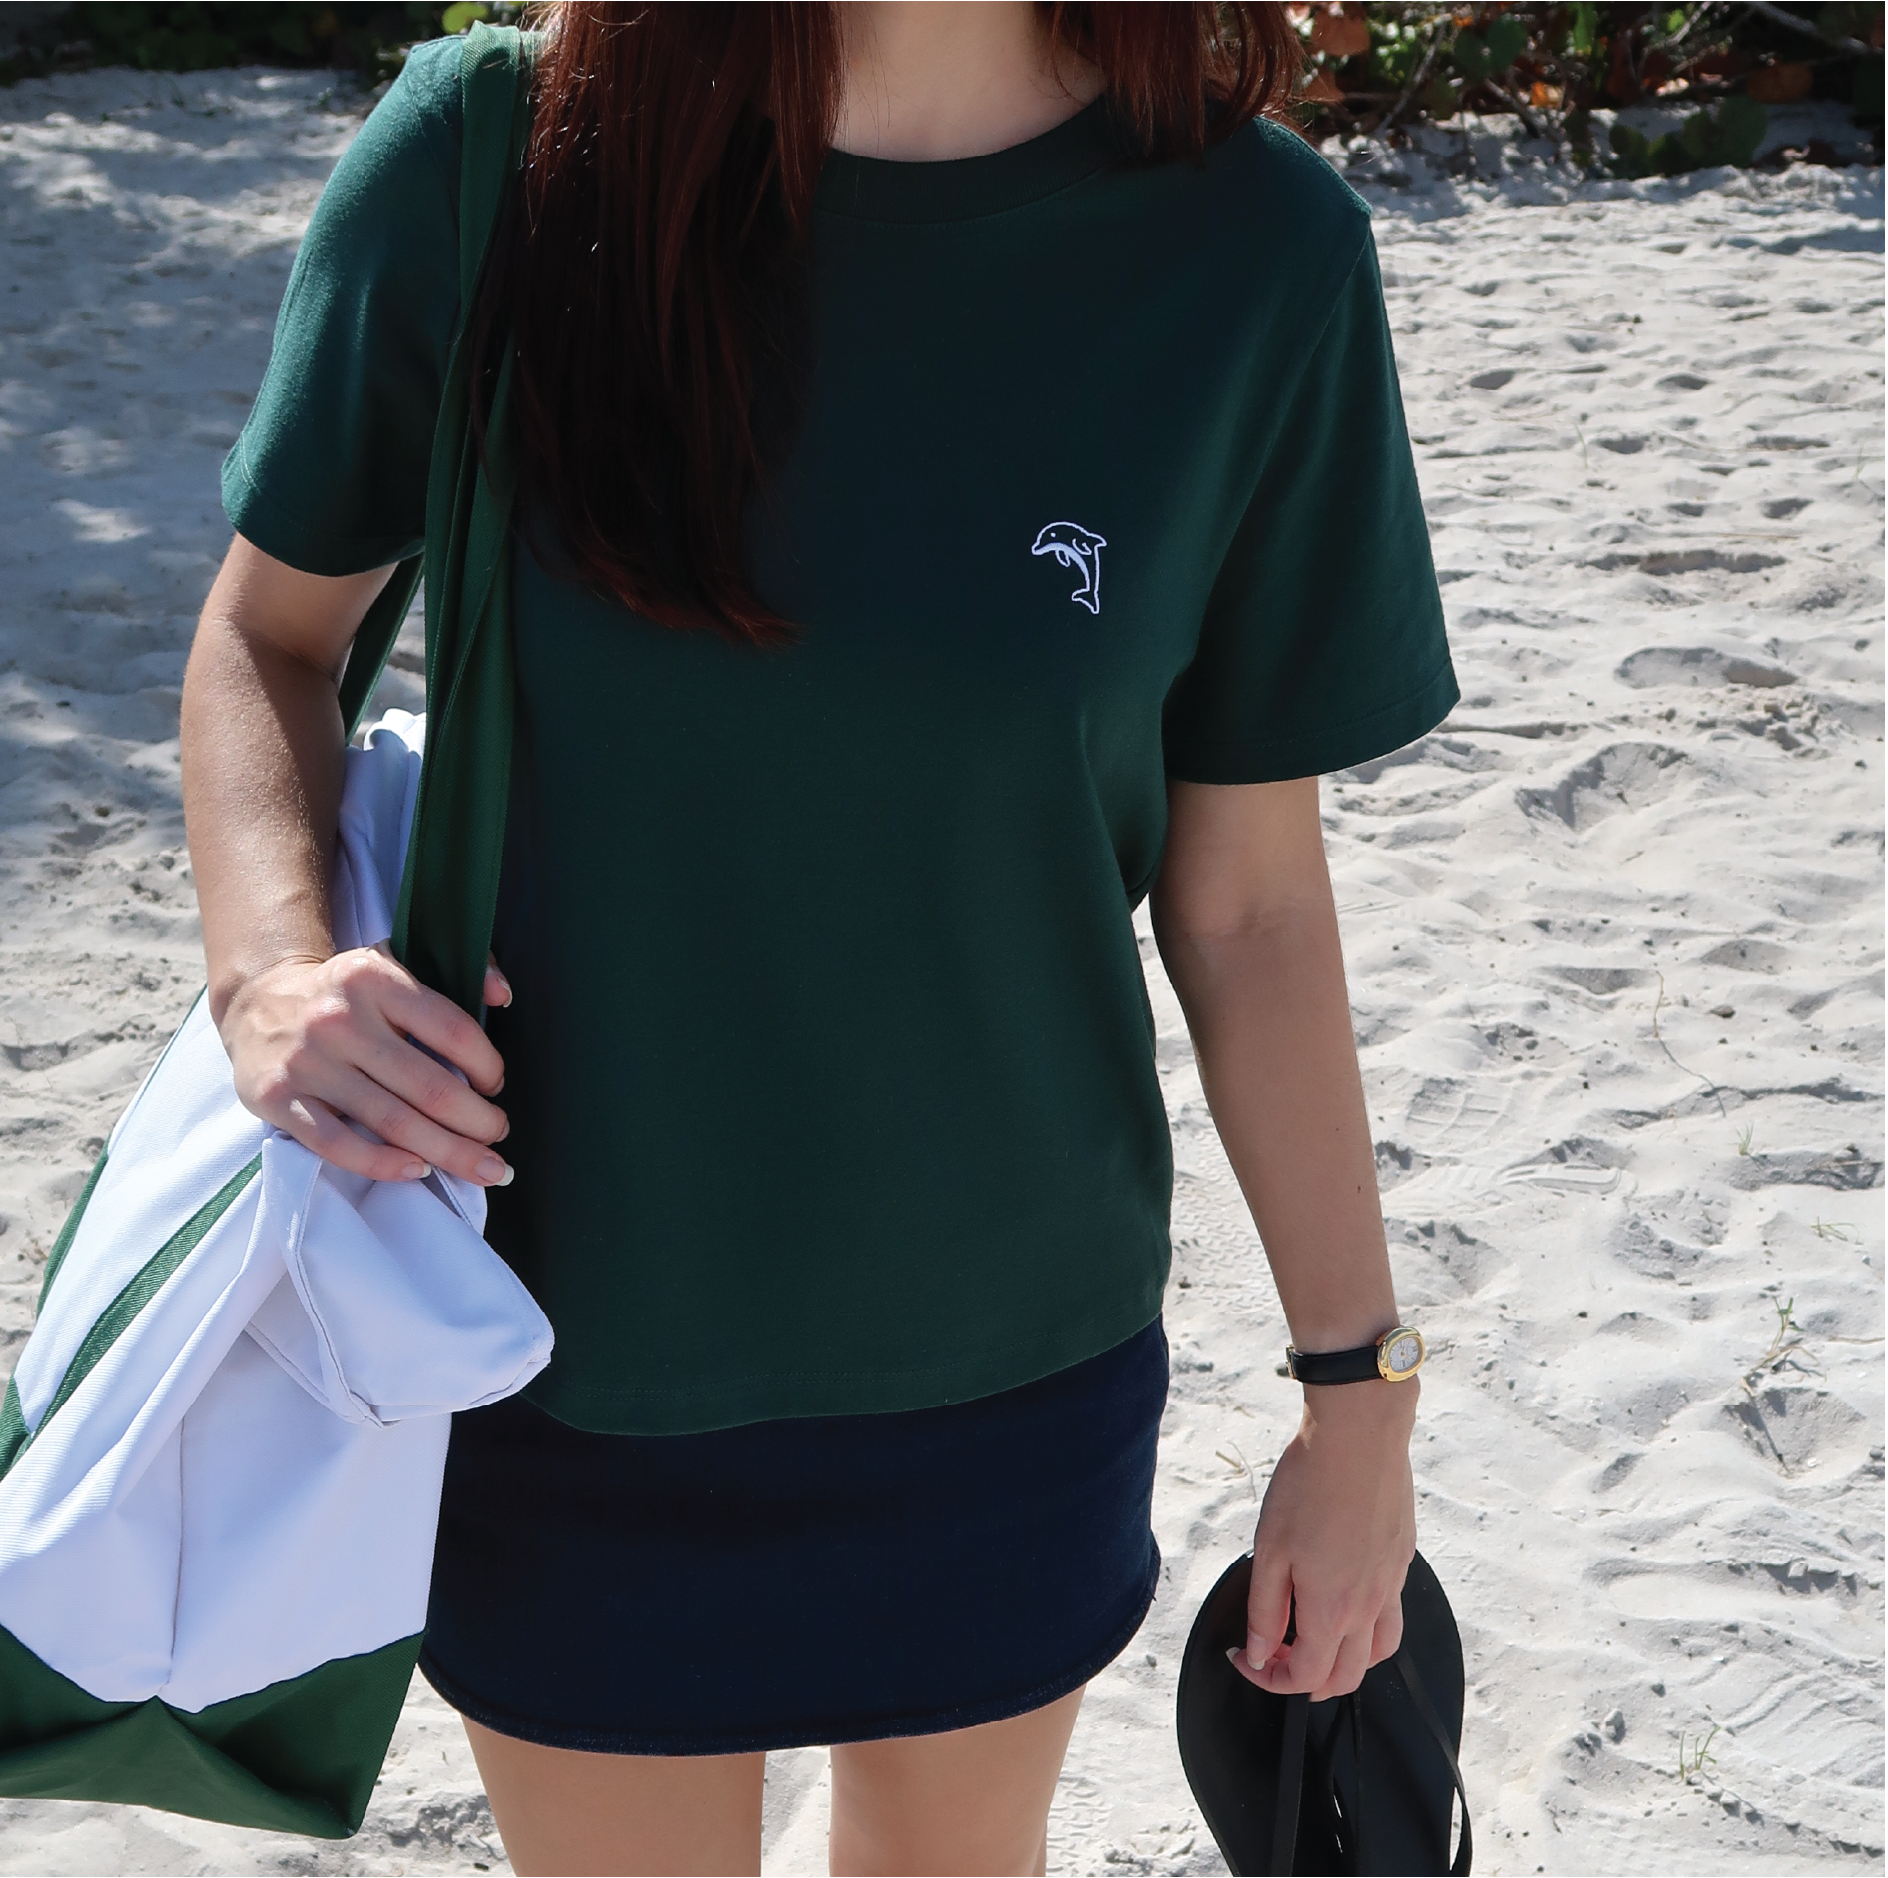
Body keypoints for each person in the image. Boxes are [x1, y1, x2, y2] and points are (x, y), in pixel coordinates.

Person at [180, 3, 1440, 1870]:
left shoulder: (1256, 257)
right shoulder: (495, 163)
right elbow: (264, 639)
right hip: (553, 1342)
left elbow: (1248, 906)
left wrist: (1361, 1408)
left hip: (1004, 1368)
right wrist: (267, 968)